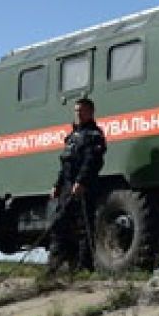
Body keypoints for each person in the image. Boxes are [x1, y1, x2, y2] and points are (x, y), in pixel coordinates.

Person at [48, 97, 107, 272]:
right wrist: (57, 185)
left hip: (84, 187)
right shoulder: (72, 136)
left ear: (90, 112)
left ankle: (84, 268)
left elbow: (92, 161)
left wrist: (81, 181)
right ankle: (56, 265)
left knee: (84, 228)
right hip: (67, 186)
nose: (78, 114)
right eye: (76, 111)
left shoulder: (94, 135)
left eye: (81, 110)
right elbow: (65, 163)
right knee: (59, 224)